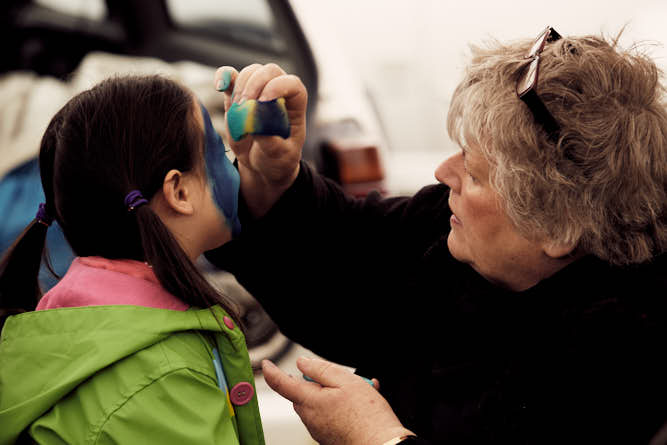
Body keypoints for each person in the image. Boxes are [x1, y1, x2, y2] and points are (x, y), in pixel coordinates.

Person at [205, 28, 667, 444]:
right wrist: (272, 183)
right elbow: (346, 253)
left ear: (559, 228)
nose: (444, 173)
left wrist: (378, 439)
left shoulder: (621, 354)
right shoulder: (451, 232)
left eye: (476, 173)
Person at [0, 75, 268, 444]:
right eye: (222, 154)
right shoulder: (164, 377)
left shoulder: (72, 322)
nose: (237, 167)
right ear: (179, 191)